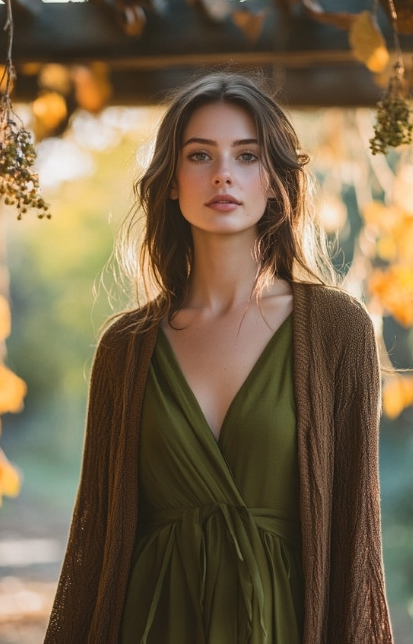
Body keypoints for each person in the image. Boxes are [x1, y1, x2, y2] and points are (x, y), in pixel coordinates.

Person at [44, 71, 394, 643]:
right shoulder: (125, 349)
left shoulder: (337, 332)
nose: (223, 174)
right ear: (173, 182)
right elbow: (95, 546)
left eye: (248, 156)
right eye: (200, 155)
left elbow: (356, 541)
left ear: (276, 181)